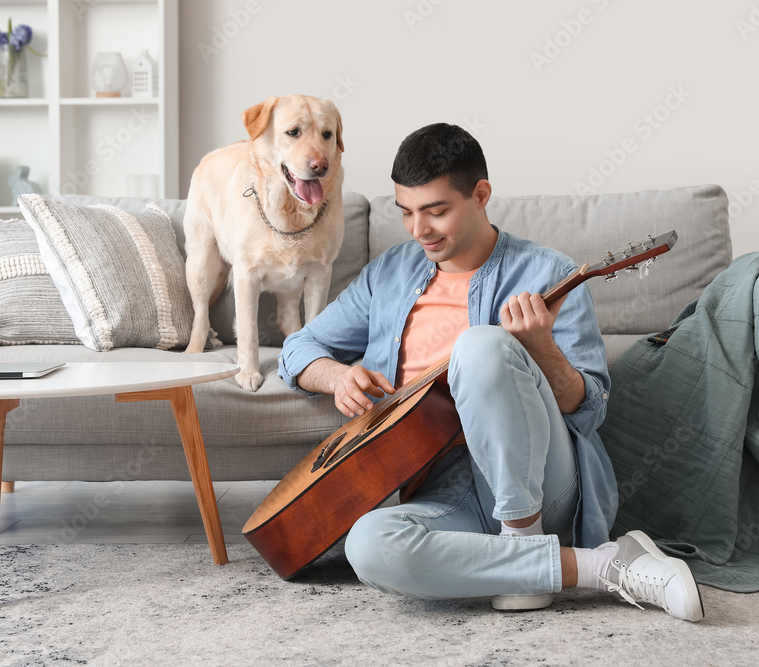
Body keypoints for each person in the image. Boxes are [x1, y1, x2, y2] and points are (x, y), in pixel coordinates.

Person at [277, 123, 704, 622]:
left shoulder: (548, 274)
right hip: (443, 495)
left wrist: (539, 347)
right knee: (368, 545)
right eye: (407, 212)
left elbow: (588, 411)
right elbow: (297, 349)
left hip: (543, 490)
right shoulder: (389, 274)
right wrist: (335, 376)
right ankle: (601, 566)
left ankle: (522, 539)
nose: (420, 230)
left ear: (480, 195)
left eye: (437, 211)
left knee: (480, 346)